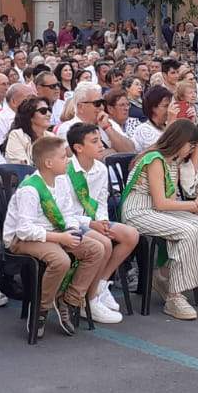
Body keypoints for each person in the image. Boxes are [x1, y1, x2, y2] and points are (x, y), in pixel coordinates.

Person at [1, 135, 115, 336]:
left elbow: (69, 213)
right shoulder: (30, 188)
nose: (68, 161)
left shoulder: (61, 181)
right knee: (60, 260)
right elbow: (24, 230)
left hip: (54, 232)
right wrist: (60, 239)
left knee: (96, 249)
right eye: (63, 157)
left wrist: (70, 230)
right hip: (24, 240)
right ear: (48, 163)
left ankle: (70, 300)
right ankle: (41, 309)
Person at [119, 121, 198, 320]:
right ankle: (174, 296)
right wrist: (194, 206)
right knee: (188, 231)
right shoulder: (154, 159)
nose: (191, 151)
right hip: (138, 210)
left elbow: (170, 201)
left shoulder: (172, 161)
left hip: (156, 210)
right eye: (190, 146)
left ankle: (167, 278)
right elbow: (161, 203)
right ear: (179, 142)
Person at [61, 123, 137, 320]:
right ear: (78, 147)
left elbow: (102, 201)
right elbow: (64, 211)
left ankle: (102, 284)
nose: (101, 145)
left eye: (100, 140)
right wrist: (90, 223)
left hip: (94, 221)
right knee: (103, 243)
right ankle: (90, 299)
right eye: (94, 142)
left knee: (130, 235)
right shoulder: (66, 172)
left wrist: (102, 220)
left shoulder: (101, 169)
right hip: (74, 224)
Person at [3, 96, 52, 166]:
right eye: (43, 111)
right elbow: (23, 168)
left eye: (49, 110)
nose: (49, 114)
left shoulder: (51, 137)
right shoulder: (17, 135)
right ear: (30, 116)